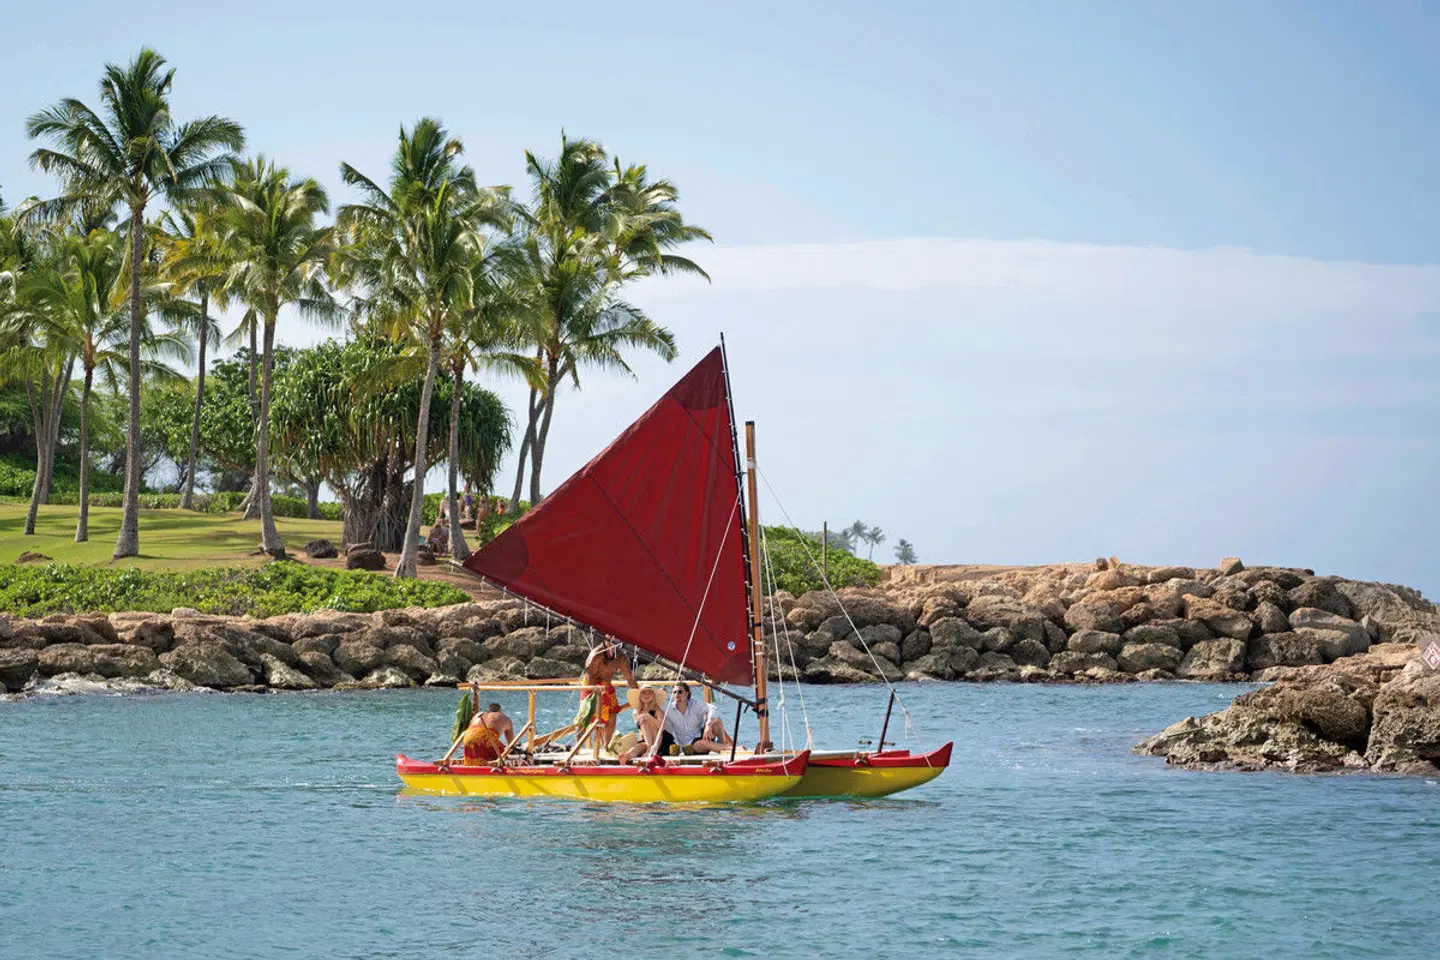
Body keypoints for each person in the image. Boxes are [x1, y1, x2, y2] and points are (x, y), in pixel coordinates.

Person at [574, 643, 637, 762]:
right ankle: (577, 747)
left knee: (612, 715)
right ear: (605, 640)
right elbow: (589, 675)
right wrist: (595, 694)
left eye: (616, 641)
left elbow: (629, 678)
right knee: (585, 716)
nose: (612, 644)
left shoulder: (621, 657)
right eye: (610, 641)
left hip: (607, 687)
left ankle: (606, 747)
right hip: (591, 687)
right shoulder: (596, 656)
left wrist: (637, 695)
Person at [660, 683, 727, 755]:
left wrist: (708, 725)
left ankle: (725, 748)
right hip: (689, 746)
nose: (677, 694)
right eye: (674, 692)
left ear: (686, 693)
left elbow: (713, 708)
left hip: (701, 736)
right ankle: (730, 749)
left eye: (680, 692)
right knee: (702, 744)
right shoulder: (669, 710)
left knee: (717, 720)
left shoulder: (695, 705)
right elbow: (667, 729)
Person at [617, 686, 668, 763]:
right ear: (640, 696)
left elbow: (662, 728)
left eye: (649, 693)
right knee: (638, 748)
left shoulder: (658, 711)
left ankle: (649, 750)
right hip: (646, 741)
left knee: (644, 721)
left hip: (658, 741)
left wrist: (649, 717)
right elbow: (642, 730)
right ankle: (626, 756)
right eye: (643, 692)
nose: (646, 695)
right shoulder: (636, 712)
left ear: (653, 696)